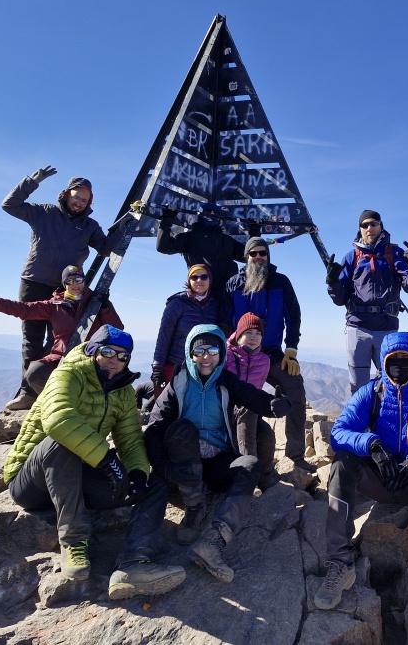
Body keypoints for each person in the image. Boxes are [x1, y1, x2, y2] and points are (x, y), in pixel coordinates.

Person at [2, 325, 187, 600]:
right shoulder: (68, 374)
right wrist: (106, 459)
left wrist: (136, 473)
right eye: (108, 351)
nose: (115, 360)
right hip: (32, 482)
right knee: (59, 443)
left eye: (123, 356)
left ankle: (133, 564)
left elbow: (130, 438)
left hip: (78, 478)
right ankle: (74, 541)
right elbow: (58, 420)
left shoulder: (122, 390)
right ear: (92, 350)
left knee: (154, 483)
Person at [314, 331, 408, 637]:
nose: (399, 368)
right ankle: (340, 564)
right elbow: (339, 432)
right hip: (380, 481)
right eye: (392, 362)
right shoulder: (372, 392)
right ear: (383, 363)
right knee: (342, 464)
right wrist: (371, 445)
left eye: (405, 361)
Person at [130, 324, 291, 584]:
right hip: (183, 464)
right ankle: (194, 507)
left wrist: (275, 405)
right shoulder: (179, 383)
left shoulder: (225, 382)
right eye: (200, 350)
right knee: (182, 428)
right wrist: (163, 467)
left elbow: (252, 396)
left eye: (213, 350)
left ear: (221, 353)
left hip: (216, 463)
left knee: (250, 465)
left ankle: (213, 541)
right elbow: (155, 428)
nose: (206, 357)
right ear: (190, 353)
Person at [2, 166, 109, 405]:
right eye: (76, 197)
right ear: (65, 194)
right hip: (34, 282)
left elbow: (106, 248)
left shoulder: (90, 226)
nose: (79, 203)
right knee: (32, 338)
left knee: (59, 340)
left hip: (66, 289)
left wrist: (127, 225)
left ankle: (52, 390)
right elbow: (9, 205)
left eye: (84, 200)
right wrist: (33, 181)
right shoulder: (44, 213)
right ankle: (27, 393)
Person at [0, 265, 122, 410]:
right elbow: (24, 310)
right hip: (62, 357)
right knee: (35, 373)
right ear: (64, 284)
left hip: (91, 357)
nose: (75, 284)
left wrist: (104, 309)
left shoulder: (98, 302)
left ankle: (87, 405)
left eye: (78, 279)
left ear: (83, 280)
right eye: (70, 281)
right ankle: (57, 406)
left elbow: (117, 329)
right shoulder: (55, 305)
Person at [223, 237, 308, 467]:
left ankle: (295, 456)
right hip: (238, 356)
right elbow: (224, 320)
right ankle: (232, 455)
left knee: (295, 389)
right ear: (246, 257)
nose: (258, 257)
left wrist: (291, 349)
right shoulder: (233, 284)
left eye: (262, 253)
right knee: (235, 403)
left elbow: (293, 316)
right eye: (253, 254)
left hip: (271, 353)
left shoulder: (281, 282)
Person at [325, 210, 408, 394]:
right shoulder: (352, 257)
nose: (369, 228)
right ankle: (362, 423)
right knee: (358, 387)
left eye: (373, 223)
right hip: (357, 327)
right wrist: (332, 283)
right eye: (364, 225)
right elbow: (340, 300)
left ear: (381, 226)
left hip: (386, 328)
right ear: (360, 230)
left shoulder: (394, 253)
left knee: (391, 385)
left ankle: (385, 422)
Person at [149, 263, 222, 397]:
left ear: (210, 280)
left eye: (204, 277)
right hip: (176, 365)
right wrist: (158, 367)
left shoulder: (216, 304)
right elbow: (164, 335)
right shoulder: (177, 303)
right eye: (194, 277)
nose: (199, 280)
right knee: (169, 407)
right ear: (189, 281)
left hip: (203, 368)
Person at [155, 204, 258, 299]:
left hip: (228, 296)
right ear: (201, 214)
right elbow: (164, 247)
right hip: (202, 296)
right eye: (208, 211)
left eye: (215, 213)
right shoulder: (189, 238)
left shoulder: (226, 241)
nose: (212, 214)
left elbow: (249, 256)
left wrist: (255, 232)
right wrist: (167, 219)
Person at [223, 312, 276, 487]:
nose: (253, 337)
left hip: (249, 413)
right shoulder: (226, 354)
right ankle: (248, 477)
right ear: (239, 335)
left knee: (267, 435)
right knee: (248, 409)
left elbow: (258, 390)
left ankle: (265, 479)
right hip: (225, 410)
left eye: (258, 333)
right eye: (249, 333)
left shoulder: (264, 360)